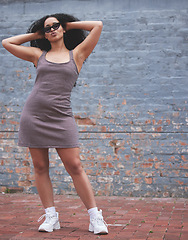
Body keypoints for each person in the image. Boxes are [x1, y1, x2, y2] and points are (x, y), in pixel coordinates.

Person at [2, 13, 108, 235]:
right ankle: (51, 216)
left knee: (75, 166)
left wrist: (66, 24)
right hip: (34, 116)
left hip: (62, 117)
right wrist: (37, 33)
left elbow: (97, 25)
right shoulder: (37, 55)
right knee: (40, 167)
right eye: (47, 27)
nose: (52, 29)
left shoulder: (77, 54)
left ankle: (95, 217)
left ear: (63, 28)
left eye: (55, 26)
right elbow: (7, 42)